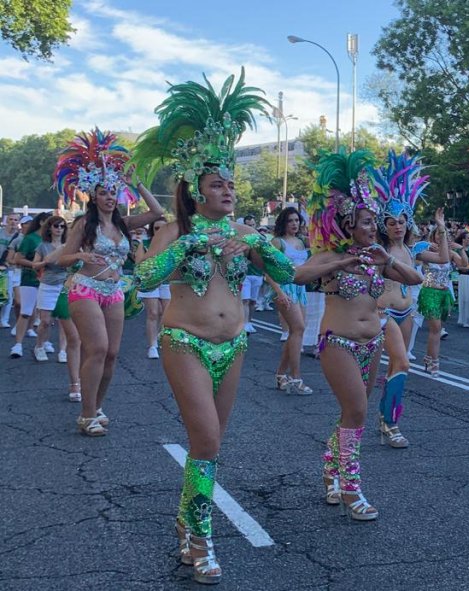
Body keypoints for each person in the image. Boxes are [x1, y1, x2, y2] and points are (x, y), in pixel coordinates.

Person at [131, 70, 329, 583]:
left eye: (231, 184)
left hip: (233, 345)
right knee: (207, 442)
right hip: (185, 342)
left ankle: (185, 523)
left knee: (211, 442)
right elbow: (144, 277)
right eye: (218, 183)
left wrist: (259, 246)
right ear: (196, 190)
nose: (229, 191)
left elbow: (289, 272)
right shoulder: (175, 229)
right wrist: (188, 245)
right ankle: (201, 538)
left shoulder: (245, 231)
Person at [305, 148, 421, 521]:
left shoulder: (377, 258)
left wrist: (386, 260)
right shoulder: (328, 257)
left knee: (351, 412)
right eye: (367, 222)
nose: (374, 228)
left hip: (372, 343)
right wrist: (341, 263)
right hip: (337, 342)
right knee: (357, 409)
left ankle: (330, 468)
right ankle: (352, 488)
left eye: (375, 222)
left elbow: (417, 278)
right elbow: (295, 275)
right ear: (347, 225)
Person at [55, 129, 165, 436]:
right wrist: (81, 256)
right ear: (93, 195)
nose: (108, 197)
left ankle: (97, 406)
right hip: (85, 288)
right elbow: (63, 258)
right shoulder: (83, 223)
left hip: (115, 291)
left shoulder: (123, 223)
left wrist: (137, 183)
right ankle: (86, 414)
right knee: (98, 348)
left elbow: (158, 212)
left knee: (113, 354)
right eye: (103, 192)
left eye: (112, 192)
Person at [370, 149, 430, 447]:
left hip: (407, 313)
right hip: (385, 314)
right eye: (391, 221)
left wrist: (442, 230)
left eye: (402, 220)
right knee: (403, 363)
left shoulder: (410, 249)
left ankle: (386, 419)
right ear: (383, 224)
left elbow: (444, 259)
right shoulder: (379, 252)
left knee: (398, 366)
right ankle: (391, 424)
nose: (397, 225)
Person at [33, 216, 80, 401]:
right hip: (48, 284)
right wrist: (46, 261)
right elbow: (36, 264)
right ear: (50, 228)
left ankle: (62, 350)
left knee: (64, 321)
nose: (59, 229)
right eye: (56, 226)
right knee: (45, 321)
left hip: (65, 285)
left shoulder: (70, 245)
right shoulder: (43, 246)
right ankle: (39, 345)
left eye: (62, 226)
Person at [269, 206, 312, 394]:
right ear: (283, 223)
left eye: (297, 220)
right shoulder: (277, 242)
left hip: (300, 289)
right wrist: (279, 291)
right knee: (298, 329)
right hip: (284, 288)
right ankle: (296, 378)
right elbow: (267, 269)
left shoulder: (302, 242)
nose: (294, 224)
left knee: (296, 333)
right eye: (290, 221)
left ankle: (280, 374)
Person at [9, 212, 51, 358]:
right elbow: (17, 258)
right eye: (50, 223)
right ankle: (18, 345)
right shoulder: (30, 238)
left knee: (46, 314)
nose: (54, 227)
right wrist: (35, 264)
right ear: (41, 222)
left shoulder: (51, 240)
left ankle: (44, 342)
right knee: (26, 311)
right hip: (29, 279)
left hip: (48, 280)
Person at [416, 219, 452, 376]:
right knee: (436, 328)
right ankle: (434, 361)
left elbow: (464, 264)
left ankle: (429, 358)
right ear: (433, 235)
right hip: (430, 292)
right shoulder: (426, 250)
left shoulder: (448, 253)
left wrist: (461, 250)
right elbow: (419, 265)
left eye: (442, 234)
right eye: (438, 233)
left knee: (436, 331)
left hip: (444, 294)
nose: (440, 236)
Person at [134, 218, 171, 359]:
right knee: (153, 313)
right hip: (149, 281)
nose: (160, 231)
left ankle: (162, 339)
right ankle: (152, 345)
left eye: (163, 227)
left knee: (166, 314)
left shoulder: (172, 244)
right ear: (152, 230)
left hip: (167, 281)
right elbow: (138, 262)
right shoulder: (145, 243)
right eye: (156, 228)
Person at [238, 214, 263, 334]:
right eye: (248, 225)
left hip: (257, 274)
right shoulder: (240, 239)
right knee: (245, 300)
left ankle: (249, 322)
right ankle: (244, 324)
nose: (251, 227)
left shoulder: (260, 239)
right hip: (245, 275)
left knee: (253, 302)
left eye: (252, 225)